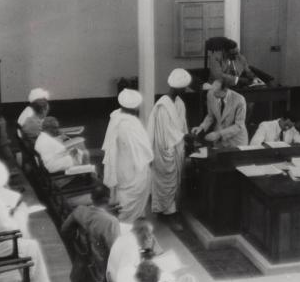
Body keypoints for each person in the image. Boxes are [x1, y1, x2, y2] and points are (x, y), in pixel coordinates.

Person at [148, 68, 192, 231]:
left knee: (175, 182)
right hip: (164, 150)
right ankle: (168, 214)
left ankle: (168, 211)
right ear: (177, 87)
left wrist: (186, 137)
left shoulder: (179, 103)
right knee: (166, 182)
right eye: (184, 88)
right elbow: (166, 133)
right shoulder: (162, 106)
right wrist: (183, 137)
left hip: (177, 148)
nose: (185, 90)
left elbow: (182, 125)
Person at [102, 89, 154, 223]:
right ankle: (126, 222)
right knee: (136, 187)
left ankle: (125, 220)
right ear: (136, 107)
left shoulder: (116, 117)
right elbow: (142, 150)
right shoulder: (130, 124)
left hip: (119, 164)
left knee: (123, 193)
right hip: (130, 166)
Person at [61, 185, 121, 282]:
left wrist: (78, 242)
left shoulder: (80, 210)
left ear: (92, 198)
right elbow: (116, 252)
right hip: (101, 265)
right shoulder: (111, 222)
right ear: (108, 200)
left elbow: (64, 229)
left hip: (86, 254)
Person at [107, 217, 163, 282]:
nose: (148, 238)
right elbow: (134, 278)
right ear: (141, 232)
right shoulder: (132, 248)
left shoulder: (127, 234)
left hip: (113, 276)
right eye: (148, 235)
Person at [191, 78, 248, 148]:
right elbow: (210, 116)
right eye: (212, 90)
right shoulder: (210, 94)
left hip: (236, 140)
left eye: (216, 92)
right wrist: (201, 127)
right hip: (219, 140)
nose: (213, 94)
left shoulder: (239, 100)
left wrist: (219, 134)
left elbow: (239, 125)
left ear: (225, 90)